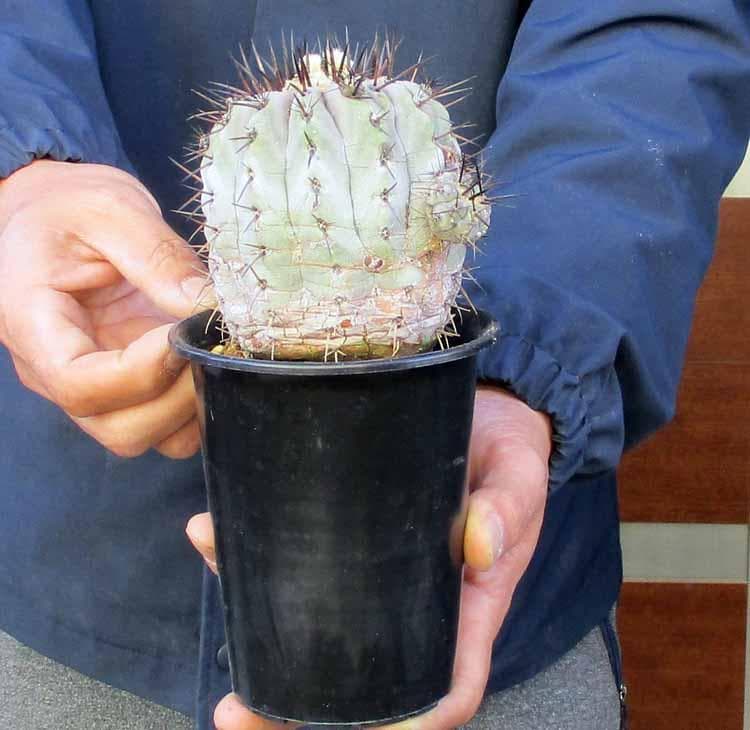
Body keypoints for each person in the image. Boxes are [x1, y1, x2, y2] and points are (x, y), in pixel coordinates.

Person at [0, 2, 747, 729]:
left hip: (504, 610)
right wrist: (23, 169)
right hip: (69, 594)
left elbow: (653, 32)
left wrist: (529, 359)